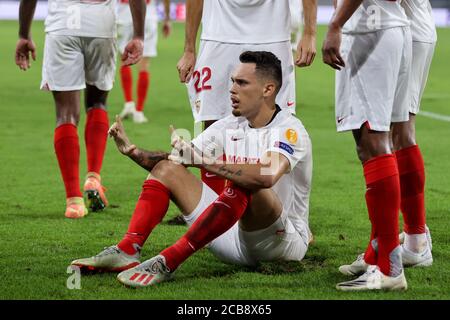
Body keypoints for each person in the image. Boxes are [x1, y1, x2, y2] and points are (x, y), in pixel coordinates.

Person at [71, 51, 313, 288]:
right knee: (168, 168)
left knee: (246, 182)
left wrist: (204, 161)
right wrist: (133, 151)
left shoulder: (289, 130)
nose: (232, 89)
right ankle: (127, 249)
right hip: (231, 237)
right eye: (232, 81)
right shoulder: (230, 124)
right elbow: (180, 159)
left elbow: (266, 175)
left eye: (242, 82)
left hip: (281, 242)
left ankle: (168, 261)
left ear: (268, 90)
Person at [334, 0, 436, 284]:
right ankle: (391, 247)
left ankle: (392, 257)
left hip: (385, 26)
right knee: (391, 137)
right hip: (403, 23)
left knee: (383, 139)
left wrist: (336, 24)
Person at [15, 0, 146, 218]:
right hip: (100, 25)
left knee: (65, 114)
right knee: (97, 103)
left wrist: (24, 34)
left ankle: (74, 201)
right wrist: (139, 36)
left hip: (62, 24)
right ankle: (93, 177)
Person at [176, 0, 317, 196]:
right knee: (213, 125)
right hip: (217, 36)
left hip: (272, 35)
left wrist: (310, 32)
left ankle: (276, 213)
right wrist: (189, 49)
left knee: (276, 124)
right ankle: (212, 207)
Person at [118, 0, 172, 124]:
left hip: (124, 13)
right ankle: (139, 111)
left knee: (125, 59)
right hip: (147, 13)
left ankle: (128, 103)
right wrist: (167, 19)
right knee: (144, 66)